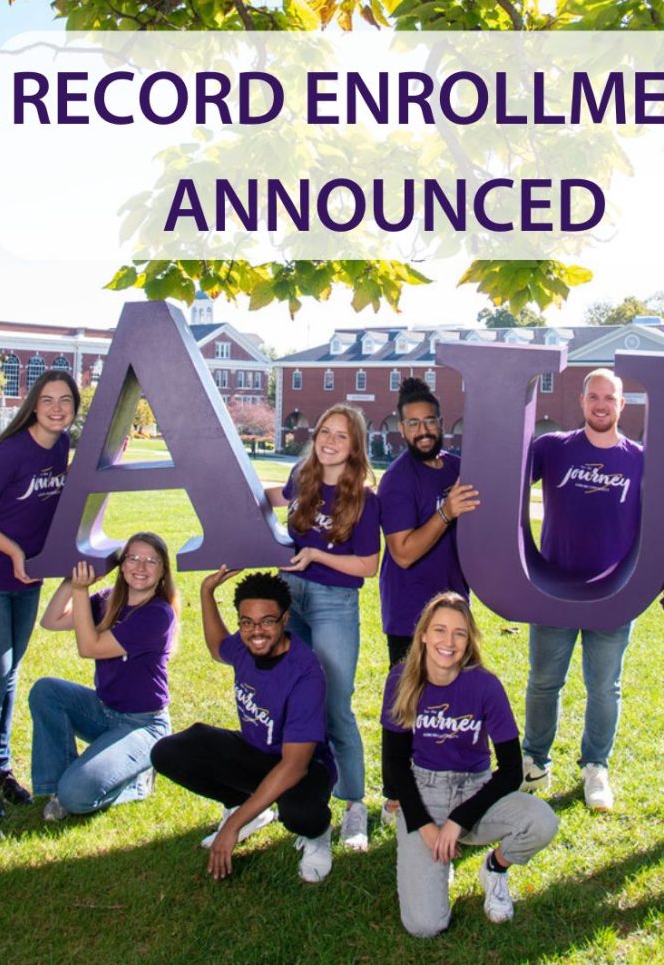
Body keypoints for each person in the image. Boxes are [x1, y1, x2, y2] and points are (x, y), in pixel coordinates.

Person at [381, 593, 558, 937]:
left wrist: (456, 821)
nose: (448, 642)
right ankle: (437, 862)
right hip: (424, 790)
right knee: (425, 926)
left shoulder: (484, 685)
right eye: (440, 630)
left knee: (541, 821)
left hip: (475, 791)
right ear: (423, 636)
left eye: (459, 633)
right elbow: (395, 764)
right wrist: (427, 827)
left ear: (469, 641)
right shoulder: (401, 679)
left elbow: (510, 770)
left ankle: (495, 868)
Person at [0, 369, 79, 820]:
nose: (57, 408)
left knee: (8, 676)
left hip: (25, 578)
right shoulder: (10, 452)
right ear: (32, 405)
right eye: (48, 400)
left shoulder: (61, 445)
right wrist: (14, 551)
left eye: (66, 400)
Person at [151, 570, 336, 883]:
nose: (256, 631)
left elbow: (294, 767)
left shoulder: (306, 673)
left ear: (285, 619)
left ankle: (318, 835)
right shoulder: (245, 645)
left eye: (267, 621)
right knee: (169, 752)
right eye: (246, 622)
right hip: (256, 752)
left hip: (304, 765)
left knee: (298, 812)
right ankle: (250, 808)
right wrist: (207, 591)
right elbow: (217, 647)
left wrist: (232, 826)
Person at [521, 367, 643, 811]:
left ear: (621, 404)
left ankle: (596, 767)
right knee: (543, 682)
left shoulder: (640, 458)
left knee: (604, 686)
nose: (601, 404)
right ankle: (534, 761)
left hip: (614, 593)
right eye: (594, 396)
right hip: (554, 587)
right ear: (582, 401)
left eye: (609, 398)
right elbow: (506, 483)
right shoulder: (553, 449)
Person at [264, 404, 380, 852]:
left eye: (341, 436)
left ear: (355, 448)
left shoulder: (366, 498)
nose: (329, 441)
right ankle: (308, 800)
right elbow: (275, 499)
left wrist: (317, 555)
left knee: (335, 705)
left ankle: (353, 806)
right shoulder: (302, 476)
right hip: (289, 596)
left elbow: (367, 566)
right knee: (296, 704)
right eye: (324, 431)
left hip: (334, 603)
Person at [377, 376, 479, 825]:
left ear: (441, 423)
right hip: (410, 612)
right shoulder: (397, 480)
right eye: (412, 423)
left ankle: (450, 784)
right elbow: (402, 552)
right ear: (401, 429)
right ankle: (394, 796)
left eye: (429, 421)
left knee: (456, 700)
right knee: (406, 704)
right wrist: (445, 512)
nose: (422, 430)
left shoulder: (458, 468)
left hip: (456, 610)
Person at [31, 532, 178, 821]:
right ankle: (57, 788)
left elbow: (90, 648)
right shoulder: (111, 600)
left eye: (152, 561)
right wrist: (72, 581)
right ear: (121, 566)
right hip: (104, 711)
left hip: (143, 724)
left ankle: (137, 782)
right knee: (46, 691)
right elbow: (51, 621)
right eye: (133, 558)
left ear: (162, 572)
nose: (140, 567)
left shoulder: (158, 614)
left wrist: (81, 592)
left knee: (76, 796)